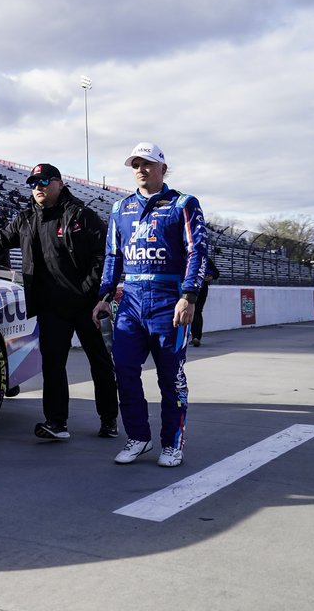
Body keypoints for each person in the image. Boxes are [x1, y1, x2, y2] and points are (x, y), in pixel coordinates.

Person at [0, 164, 118, 441]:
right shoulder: (26, 218)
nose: (38, 187)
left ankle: (109, 419)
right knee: (53, 364)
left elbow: (104, 256)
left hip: (86, 304)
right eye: (33, 183)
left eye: (43, 181)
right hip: (50, 307)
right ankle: (56, 422)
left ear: (59, 183)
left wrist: (92, 291)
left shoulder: (82, 215)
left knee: (100, 362)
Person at [94, 142, 210, 468]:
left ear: (162, 168)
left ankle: (172, 443)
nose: (141, 170)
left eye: (147, 164)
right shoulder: (120, 208)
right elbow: (113, 256)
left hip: (168, 300)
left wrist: (188, 297)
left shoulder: (184, 204)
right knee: (125, 370)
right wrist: (104, 297)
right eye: (135, 165)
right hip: (129, 301)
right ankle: (138, 437)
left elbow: (197, 252)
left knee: (170, 376)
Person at [190, 255, 219, 347]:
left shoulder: (206, 259)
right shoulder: (184, 257)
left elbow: (216, 273)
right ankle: (193, 337)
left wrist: (211, 276)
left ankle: (196, 337)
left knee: (197, 311)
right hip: (187, 288)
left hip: (201, 289)